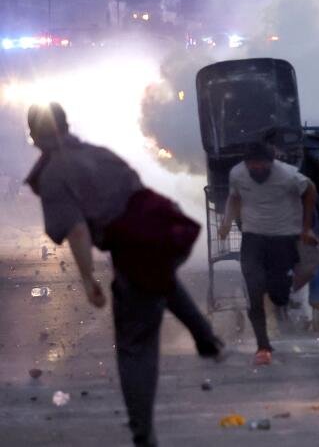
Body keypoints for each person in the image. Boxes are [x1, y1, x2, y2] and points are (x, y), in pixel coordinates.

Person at [25, 103, 224, 447]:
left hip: (135, 246)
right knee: (157, 279)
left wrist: (89, 281)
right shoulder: (98, 153)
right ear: (66, 125)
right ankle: (206, 339)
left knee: (135, 345)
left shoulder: (54, 174)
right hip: (167, 227)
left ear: (33, 135)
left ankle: (142, 432)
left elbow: (77, 231)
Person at [218, 142, 317, 365]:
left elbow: (310, 190)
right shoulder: (237, 174)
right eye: (252, 164)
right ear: (246, 163)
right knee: (254, 290)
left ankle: (285, 290)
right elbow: (235, 197)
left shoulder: (288, 175)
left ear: (271, 163)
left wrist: (306, 227)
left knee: (278, 294)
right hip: (253, 237)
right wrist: (227, 222)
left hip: (283, 238)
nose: (257, 168)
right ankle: (263, 346)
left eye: (261, 164)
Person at [263, 129, 319, 331]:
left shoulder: (308, 164)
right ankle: (282, 306)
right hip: (272, 230)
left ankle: (288, 298)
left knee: (309, 262)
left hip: (303, 228)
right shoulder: (260, 166)